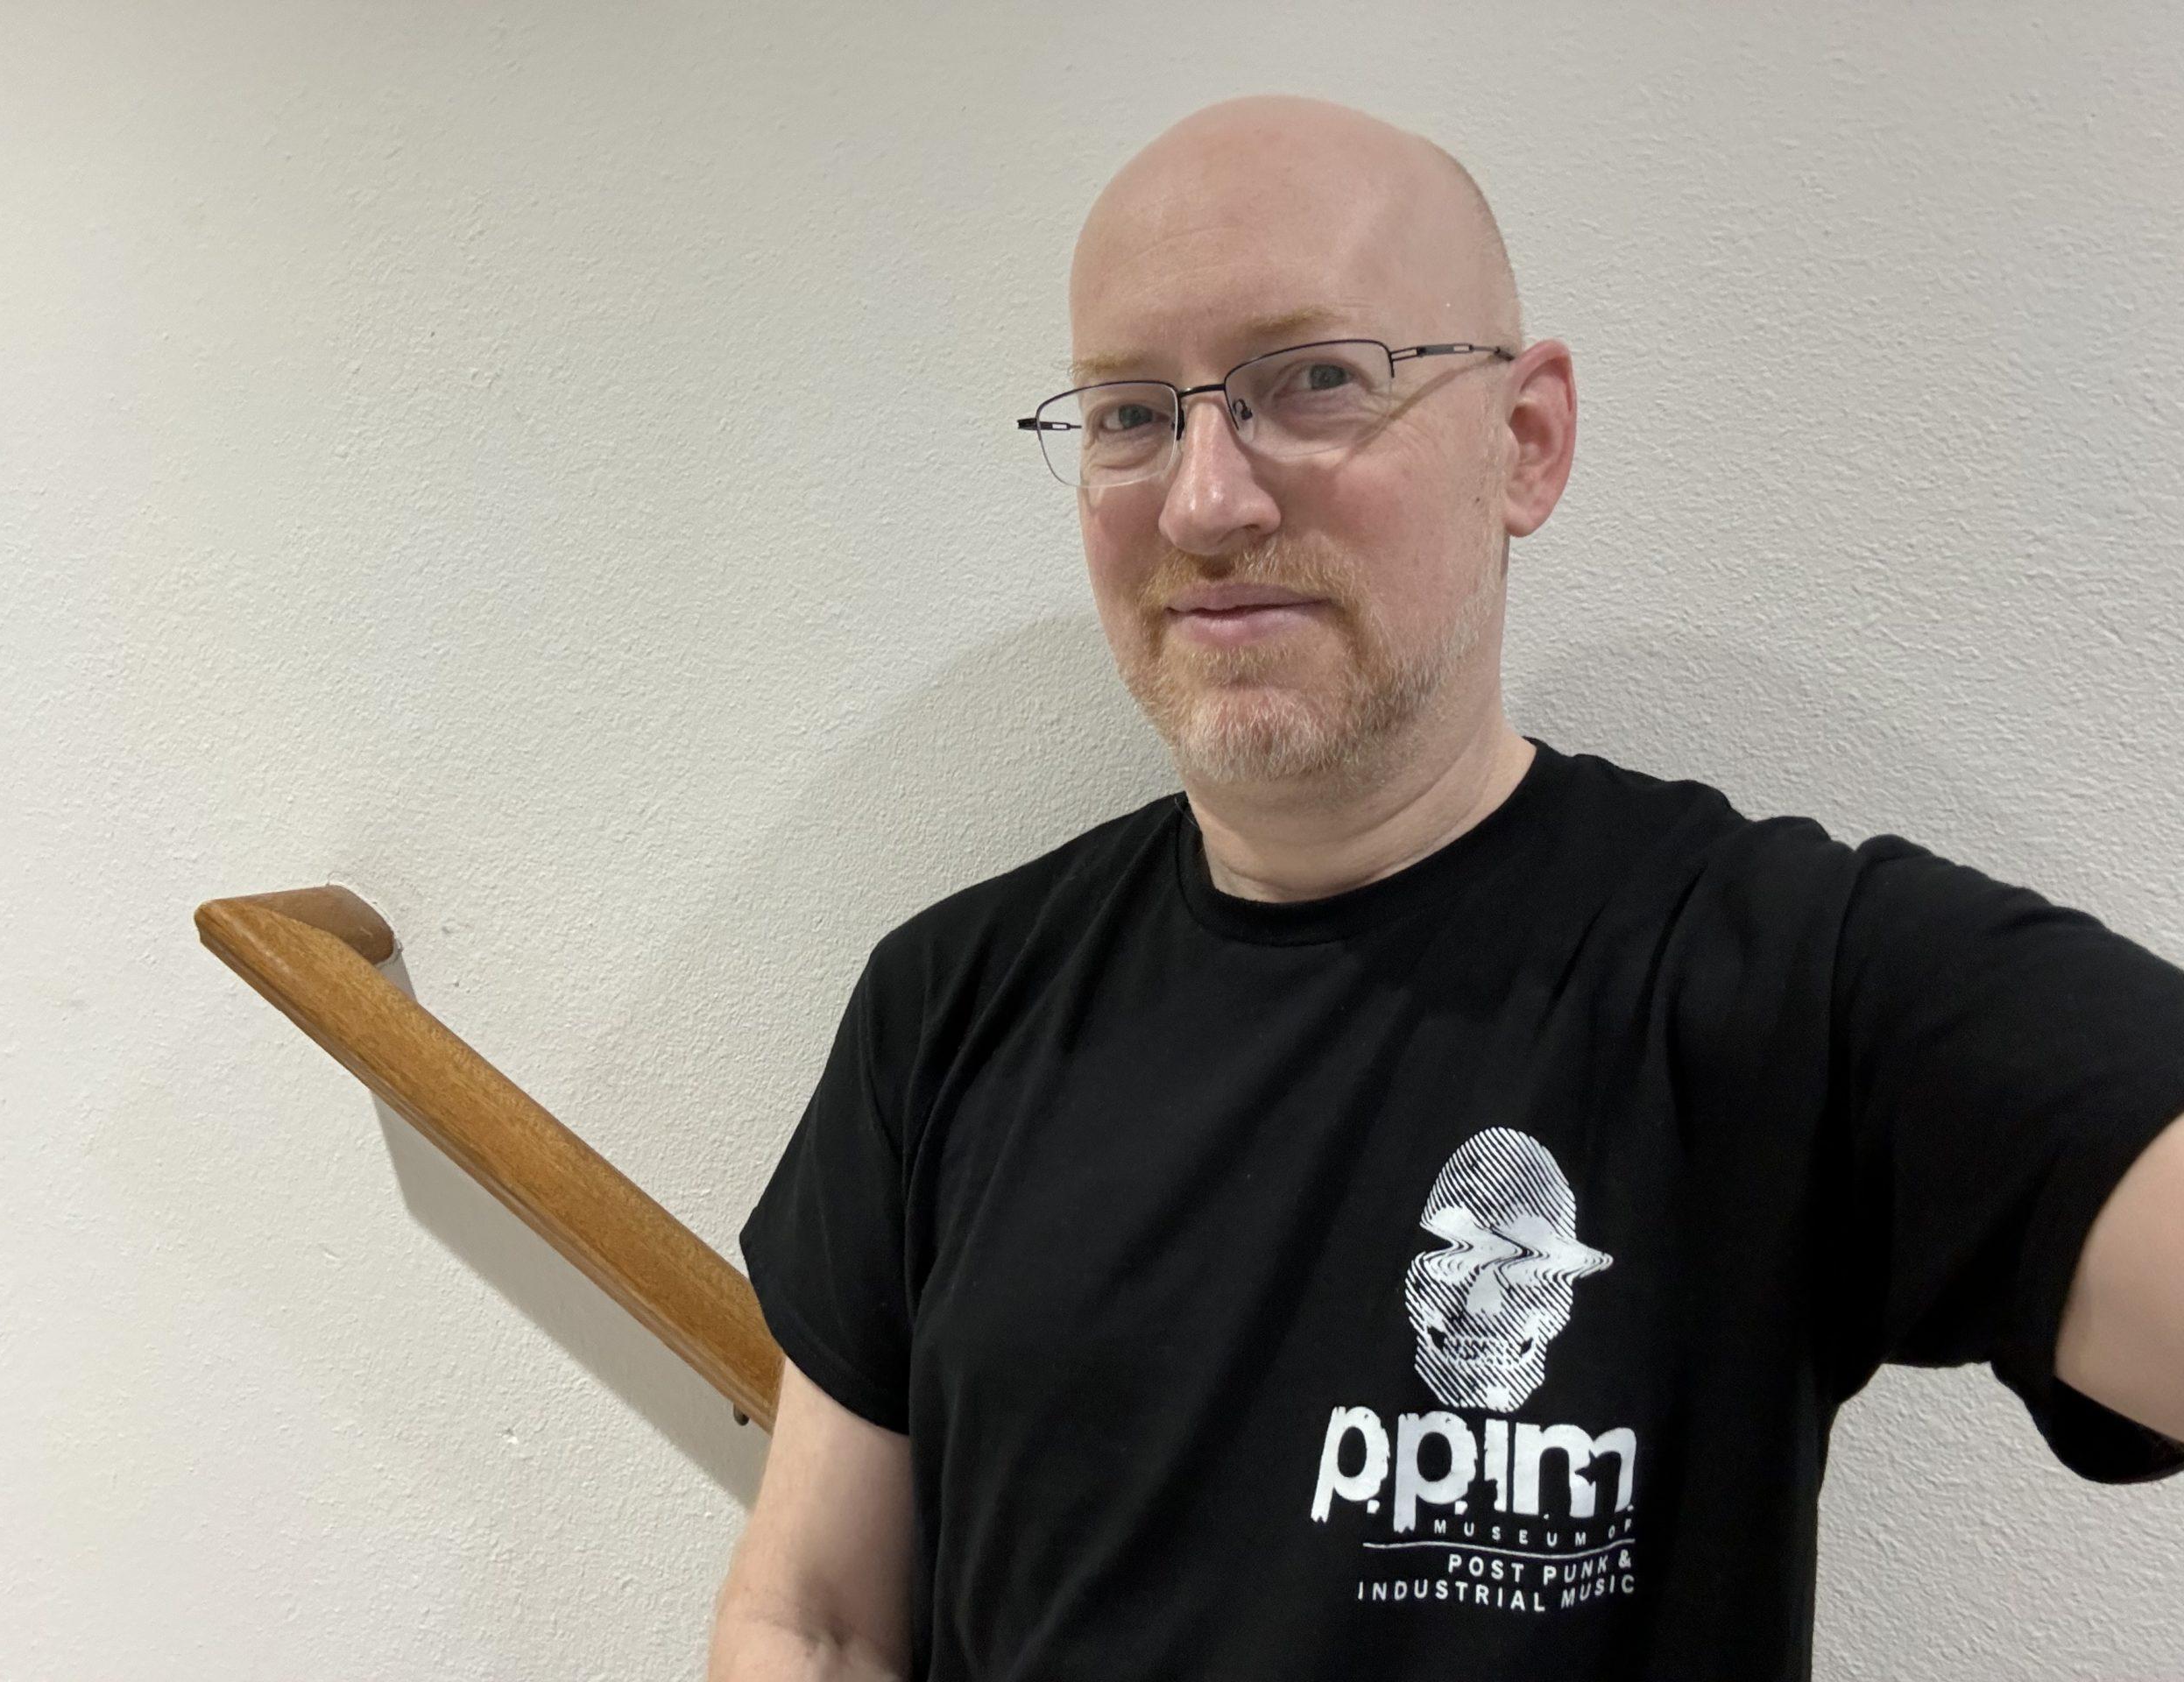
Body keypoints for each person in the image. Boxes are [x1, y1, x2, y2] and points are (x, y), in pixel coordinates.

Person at [708, 92, 2184, 1681]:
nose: (1206, 498)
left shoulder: (1777, 977)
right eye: (1132, 411)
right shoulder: (947, 1005)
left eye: (1317, 381)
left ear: (1525, 443)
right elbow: (822, 1616)